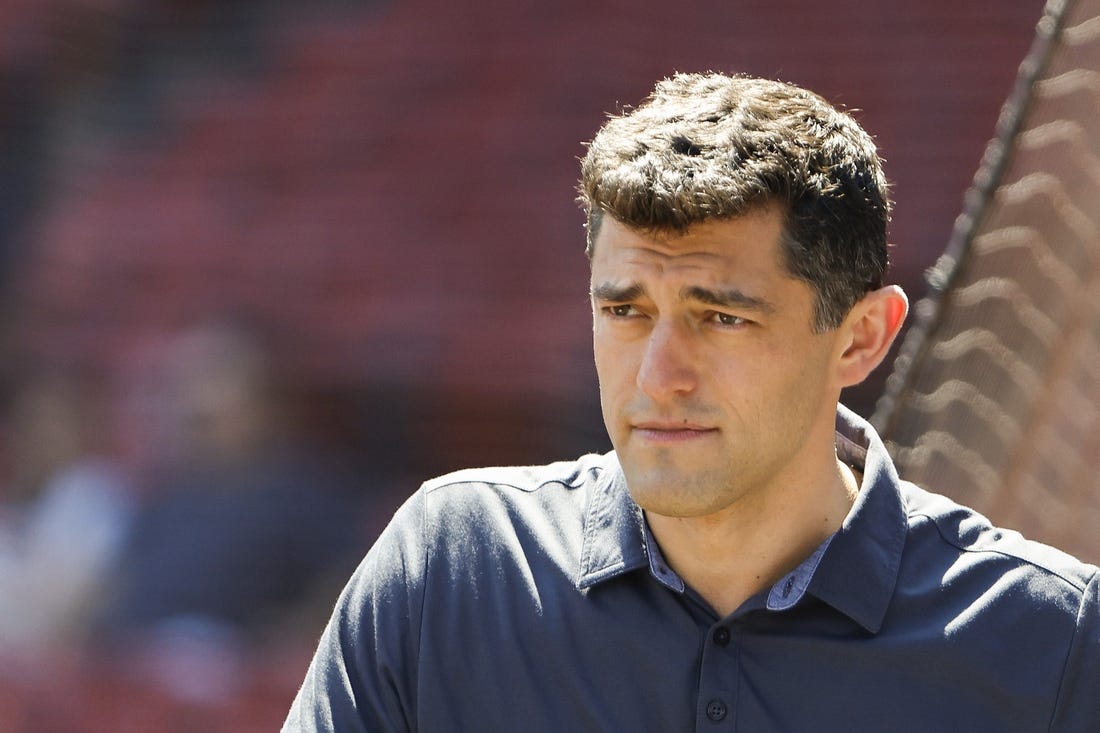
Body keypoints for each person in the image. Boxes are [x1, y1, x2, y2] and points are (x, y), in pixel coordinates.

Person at [283, 72, 1099, 731]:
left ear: (859, 338)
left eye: (721, 317)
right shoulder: (452, 568)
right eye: (625, 311)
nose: (658, 375)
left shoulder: (1052, 639)